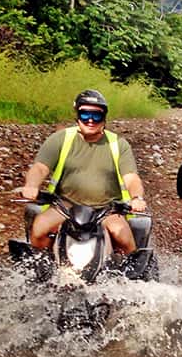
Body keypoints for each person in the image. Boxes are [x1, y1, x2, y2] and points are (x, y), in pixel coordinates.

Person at [21, 89, 147, 256]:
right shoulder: (60, 139)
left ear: (104, 118)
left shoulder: (119, 144)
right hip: (65, 206)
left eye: (96, 116)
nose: (90, 120)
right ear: (77, 116)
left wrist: (136, 198)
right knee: (39, 229)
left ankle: (129, 278)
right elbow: (40, 167)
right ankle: (41, 265)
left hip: (106, 209)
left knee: (124, 240)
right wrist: (31, 185)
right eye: (85, 114)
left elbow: (131, 178)